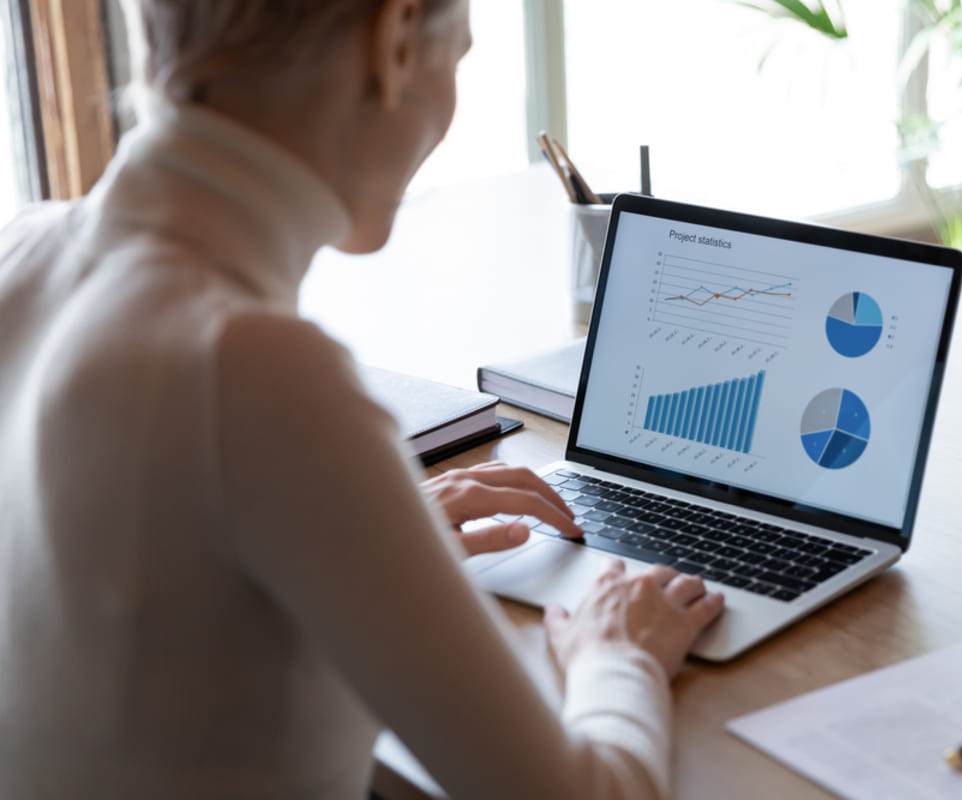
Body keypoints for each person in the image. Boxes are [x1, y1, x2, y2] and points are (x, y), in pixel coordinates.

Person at [0, 0, 726, 798]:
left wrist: (366, 523)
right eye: (461, 55)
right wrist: (617, 656)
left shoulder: (24, 254)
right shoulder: (255, 371)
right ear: (393, 42)